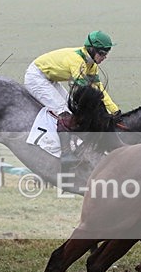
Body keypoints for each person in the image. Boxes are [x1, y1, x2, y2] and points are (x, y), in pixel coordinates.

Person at [24, 31, 120, 169]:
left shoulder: (91, 64)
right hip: (36, 77)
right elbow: (84, 89)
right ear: (91, 49)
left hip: (50, 78)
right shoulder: (77, 61)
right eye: (102, 53)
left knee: (70, 109)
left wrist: (114, 110)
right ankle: (66, 153)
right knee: (64, 111)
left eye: (106, 53)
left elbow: (98, 88)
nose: (104, 57)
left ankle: (75, 147)